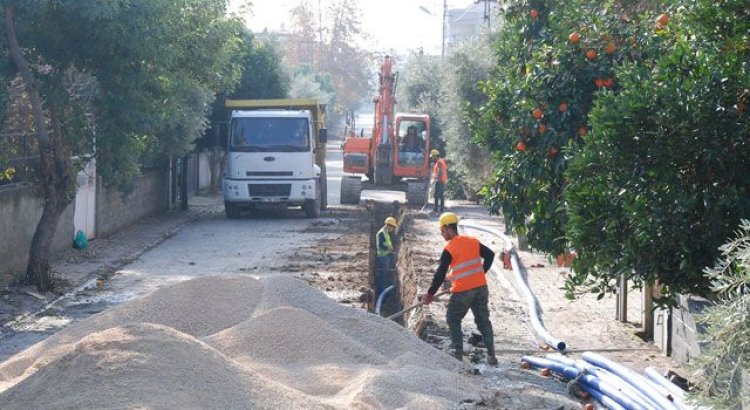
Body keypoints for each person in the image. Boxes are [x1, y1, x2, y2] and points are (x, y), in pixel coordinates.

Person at [423, 212, 498, 365]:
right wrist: (480, 272)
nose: (442, 234)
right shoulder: (472, 241)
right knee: (483, 321)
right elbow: (490, 255)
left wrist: (430, 293)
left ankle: (457, 353)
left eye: (442, 231)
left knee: (452, 318)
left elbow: (440, 273)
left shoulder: (450, 248)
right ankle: (491, 356)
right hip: (481, 287)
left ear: (449, 229)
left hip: (464, 291)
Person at [375, 217, 398, 299]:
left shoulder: (385, 232)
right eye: (393, 227)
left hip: (385, 256)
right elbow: (380, 245)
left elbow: (386, 244)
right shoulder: (381, 233)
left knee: (384, 277)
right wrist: (388, 249)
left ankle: (383, 294)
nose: (393, 229)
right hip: (382, 257)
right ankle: (380, 295)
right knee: (382, 278)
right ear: (389, 225)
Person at [430, 149, 447, 214]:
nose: (431, 158)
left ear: (435, 156)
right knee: (439, 195)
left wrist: (437, 179)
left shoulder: (439, 162)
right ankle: (438, 210)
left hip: (440, 181)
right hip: (441, 180)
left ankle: (437, 210)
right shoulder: (439, 161)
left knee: (438, 195)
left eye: (432, 157)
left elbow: (440, 171)